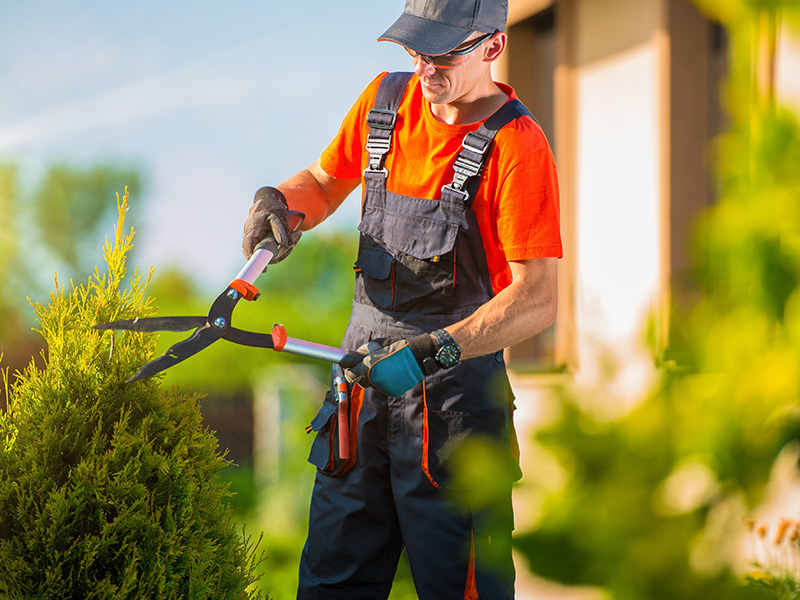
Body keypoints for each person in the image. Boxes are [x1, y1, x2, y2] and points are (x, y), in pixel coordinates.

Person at [242, 0, 562, 597]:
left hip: (455, 414)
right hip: (358, 400)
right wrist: (282, 204)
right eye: (414, 49)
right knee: (330, 586)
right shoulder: (384, 102)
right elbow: (320, 182)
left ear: (492, 46)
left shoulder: (518, 146)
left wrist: (432, 353)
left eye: (441, 52)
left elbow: (538, 298)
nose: (423, 66)